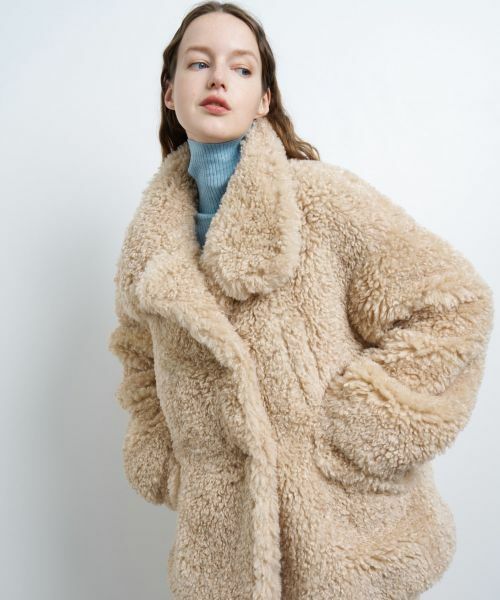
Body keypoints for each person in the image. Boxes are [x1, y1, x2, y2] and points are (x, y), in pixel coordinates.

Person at [108, 3, 494, 599]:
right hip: (221, 557)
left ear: (263, 99)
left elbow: (454, 304)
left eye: (241, 69)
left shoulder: (321, 202)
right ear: (169, 91)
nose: (218, 79)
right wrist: (164, 458)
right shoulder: (151, 249)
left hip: (348, 546)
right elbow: (138, 361)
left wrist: (362, 428)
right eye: (199, 63)